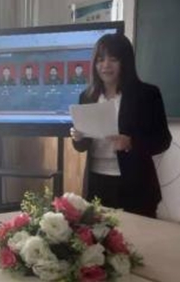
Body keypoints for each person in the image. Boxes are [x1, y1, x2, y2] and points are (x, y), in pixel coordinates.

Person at [70, 34, 171, 218]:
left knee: (136, 235)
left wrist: (131, 143)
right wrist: (78, 137)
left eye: (113, 59)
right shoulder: (87, 96)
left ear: (125, 62)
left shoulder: (147, 94)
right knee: (99, 234)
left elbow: (163, 140)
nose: (105, 65)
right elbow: (81, 146)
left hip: (135, 184)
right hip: (97, 181)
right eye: (100, 60)